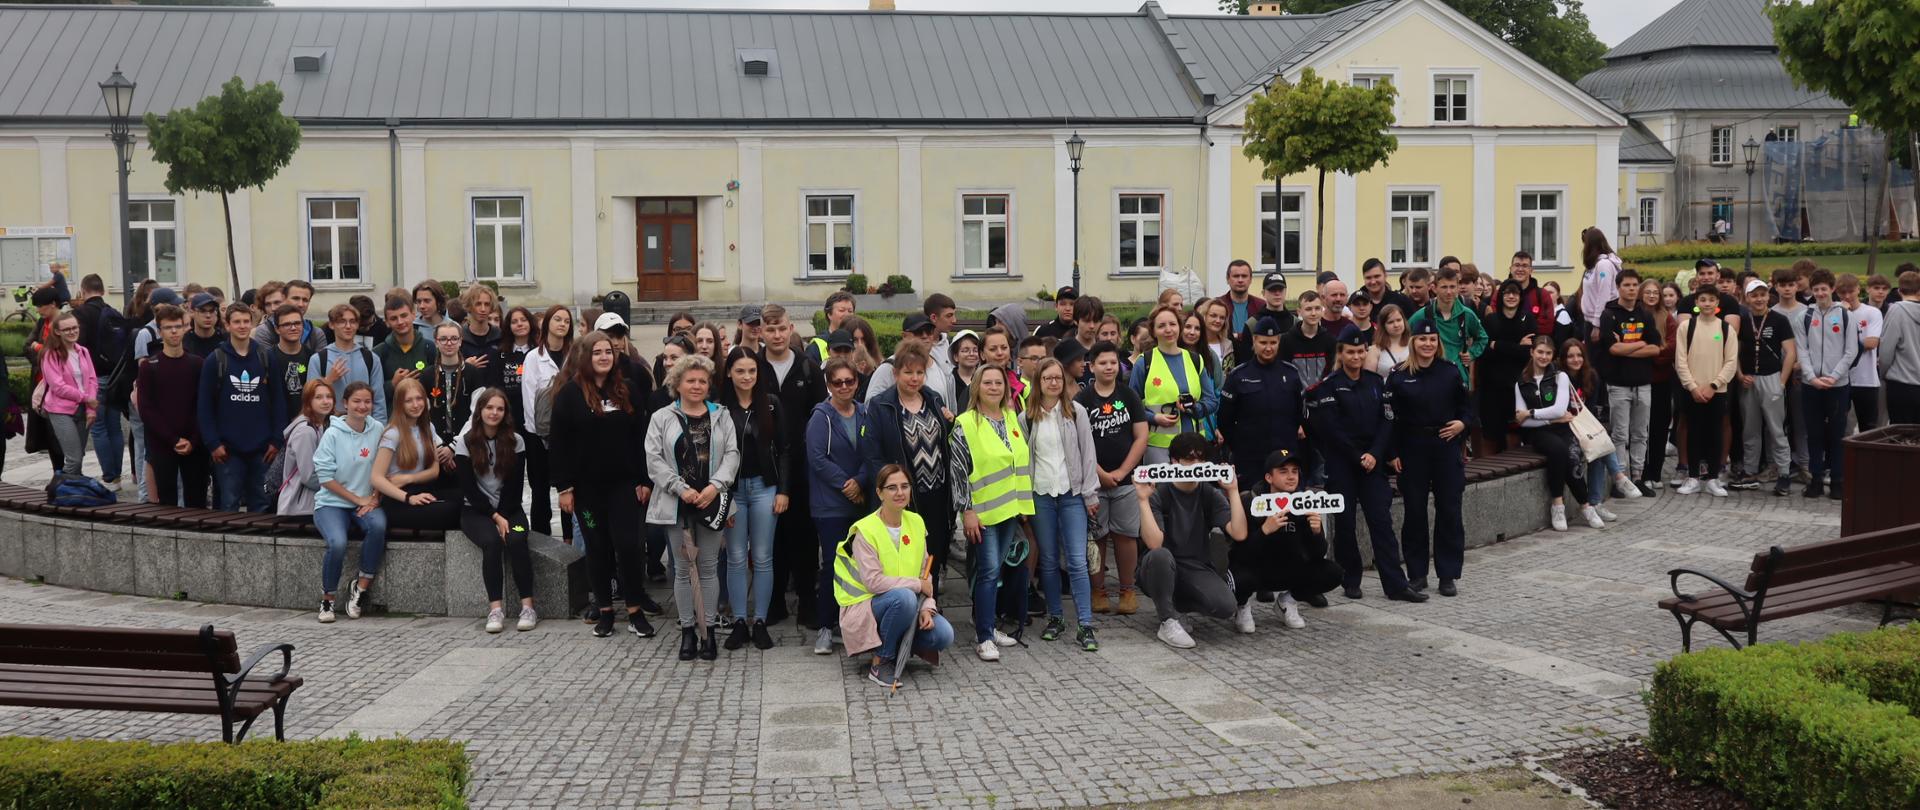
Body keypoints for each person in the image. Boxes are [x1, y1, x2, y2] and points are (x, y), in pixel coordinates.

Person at [551, 330, 657, 639]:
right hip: (586, 490)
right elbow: (559, 444)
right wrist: (564, 488)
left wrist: (644, 479)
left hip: (624, 485)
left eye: (608, 351)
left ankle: (635, 610)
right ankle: (606, 611)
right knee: (597, 548)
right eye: (597, 352)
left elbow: (641, 438)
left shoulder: (628, 390)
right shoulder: (569, 394)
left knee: (628, 546)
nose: (604, 357)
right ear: (585, 357)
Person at [1307, 327, 1422, 602]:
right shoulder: (1329, 385)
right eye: (1351, 352)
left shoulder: (1375, 382)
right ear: (1341, 353)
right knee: (1345, 525)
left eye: (1360, 351)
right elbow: (1331, 430)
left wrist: (1375, 454)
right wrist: (1359, 456)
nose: (1356, 357)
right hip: (1343, 463)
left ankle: (1396, 585)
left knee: (1382, 523)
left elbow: (1387, 420)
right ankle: (1350, 579)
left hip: (1373, 462)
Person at [833, 464, 954, 689]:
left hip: (903, 603)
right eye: (892, 488)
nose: (900, 493)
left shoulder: (916, 522)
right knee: (905, 598)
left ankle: (898, 643)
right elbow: (874, 582)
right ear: (879, 493)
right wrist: (917, 585)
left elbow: (924, 573)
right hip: (865, 606)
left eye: (905, 486)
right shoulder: (865, 530)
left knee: (944, 635)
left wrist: (927, 607)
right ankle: (881, 662)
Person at [1135, 431, 1248, 649]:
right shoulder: (1160, 492)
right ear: (1174, 461)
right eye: (1189, 459)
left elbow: (1239, 533)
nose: (1196, 464)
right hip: (1160, 566)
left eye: (1201, 459)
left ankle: (1179, 609)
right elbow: (1154, 544)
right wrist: (1142, 500)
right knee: (1160, 555)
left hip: (1195, 566)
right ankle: (1167, 620)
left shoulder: (1209, 493)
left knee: (1226, 606)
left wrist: (1233, 491)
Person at [950, 364, 1031, 661]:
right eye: (988, 383)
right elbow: (958, 471)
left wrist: (1022, 504)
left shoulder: (1010, 418)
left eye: (999, 383)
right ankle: (984, 636)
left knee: (996, 571)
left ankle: (988, 626)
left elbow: (1017, 463)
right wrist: (967, 510)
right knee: (987, 572)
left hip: (1009, 509)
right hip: (982, 513)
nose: (994, 387)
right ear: (977, 387)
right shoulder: (966, 423)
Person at [862, 341, 954, 598]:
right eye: (908, 372)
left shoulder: (933, 399)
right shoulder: (881, 405)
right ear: (896, 373)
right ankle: (905, 606)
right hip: (903, 497)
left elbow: (944, 442)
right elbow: (872, 454)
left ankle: (929, 604)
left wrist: (950, 423)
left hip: (937, 492)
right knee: (904, 555)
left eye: (920, 372)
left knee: (932, 551)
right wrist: (892, 488)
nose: (914, 378)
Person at [1022, 357, 1101, 652]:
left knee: (1077, 560)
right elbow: (1024, 461)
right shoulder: (1026, 417)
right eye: (1047, 378)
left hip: (1072, 494)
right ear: (1038, 382)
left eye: (1057, 378)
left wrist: (1090, 494)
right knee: (1049, 561)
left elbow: (1088, 454)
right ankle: (1055, 618)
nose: (1053, 383)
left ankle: (1085, 623)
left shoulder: (1076, 412)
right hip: (1041, 495)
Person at [1386, 319, 1471, 596]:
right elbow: (1389, 419)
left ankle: (1447, 574)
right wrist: (1392, 453)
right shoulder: (1399, 376)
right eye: (1422, 339)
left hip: (1445, 445)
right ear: (1413, 342)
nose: (1428, 344)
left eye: (1432, 339)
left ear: (1438, 342)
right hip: (1412, 448)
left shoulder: (1449, 371)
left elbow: (1467, 407)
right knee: (1414, 512)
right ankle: (1417, 573)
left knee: (1449, 510)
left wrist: (1462, 424)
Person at [758, 304, 827, 628]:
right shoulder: (753, 367)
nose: (777, 335)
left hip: (802, 466)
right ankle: (773, 603)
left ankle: (807, 602)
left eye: (781, 328)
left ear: (790, 329)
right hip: (763, 465)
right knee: (770, 537)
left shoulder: (808, 368)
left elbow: (820, 415)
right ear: (761, 332)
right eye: (770, 329)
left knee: (804, 536)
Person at [716, 346, 789, 651]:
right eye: (740, 371)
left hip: (764, 488)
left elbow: (784, 449)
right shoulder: (719, 407)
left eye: (752, 371)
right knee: (734, 557)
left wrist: (783, 490)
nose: (746, 377)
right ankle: (738, 621)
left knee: (762, 557)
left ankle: (759, 620)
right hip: (732, 490)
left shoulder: (770, 403)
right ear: (729, 373)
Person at [804, 357, 875, 656]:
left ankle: (856, 625)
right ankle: (825, 625)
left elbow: (873, 452)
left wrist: (860, 481)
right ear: (828, 385)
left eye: (850, 381)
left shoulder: (865, 413)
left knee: (861, 566)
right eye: (838, 382)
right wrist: (848, 485)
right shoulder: (820, 417)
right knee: (833, 564)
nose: (844, 386)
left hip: (861, 502)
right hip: (830, 504)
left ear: (857, 382)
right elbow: (817, 458)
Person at [1232, 449, 1342, 633]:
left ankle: (1287, 602)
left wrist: (1316, 532)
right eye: (1283, 471)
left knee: (1333, 572)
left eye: (1295, 471)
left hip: (1289, 568)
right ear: (1269, 477)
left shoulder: (1304, 502)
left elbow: (1318, 554)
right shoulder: (1251, 502)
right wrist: (1265, 531)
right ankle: (1242, 606)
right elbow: (1239, 553)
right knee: (1238, 577)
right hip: (1256, 569)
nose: (1291, 477)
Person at [457, 388, 538, 634]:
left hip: (510, 509)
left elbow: (515, 487)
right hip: (476, 511)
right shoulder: (466, 442)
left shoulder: (516, 441)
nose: (494, 413)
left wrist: (503, 514)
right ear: (480, 411)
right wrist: (494, 517)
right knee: (492, 542)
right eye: (489, 407)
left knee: (517, 539)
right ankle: (495, 610)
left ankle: (528, 607)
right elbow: (469, 489)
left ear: (506, 413)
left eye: (499, 409)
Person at [1076, 341, 1148, 616]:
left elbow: (1141, 436)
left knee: (1126, 535)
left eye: (1113, 362)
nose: (1109, 367)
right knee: (1097, 537)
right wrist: (1101, 473)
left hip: (1126, 481)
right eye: (1102, 363)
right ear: (1091, 366)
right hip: (1093, 482)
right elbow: (1077, 443)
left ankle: (1127, 590)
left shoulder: (1129, 395)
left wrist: (1121, 471)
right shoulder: (1082, 399)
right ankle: (1098, 590)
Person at [312, 381, 387, 623]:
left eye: (367, 402)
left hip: (366, 501)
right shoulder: (332, 433)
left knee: (378, 526)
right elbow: (325, 478)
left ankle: (360, 589)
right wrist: (357, 499)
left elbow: (384, 468)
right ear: (345, 403)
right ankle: (328, 599)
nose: (362, 406)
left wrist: (374, 499)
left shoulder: (378, 429)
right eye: (356, 401)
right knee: (338, 543)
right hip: (332, 503)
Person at [199, 304, 280, 512]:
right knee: (229, 503)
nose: (242, 326)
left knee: (262, 504)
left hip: (262, 448)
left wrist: (276, 440)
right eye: (237, 322)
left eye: (246, 321)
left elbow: (278, 401)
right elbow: (204, 406)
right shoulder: (216, 360)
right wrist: (213, 443)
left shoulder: (266, 357)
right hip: (227, 449)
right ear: (227, 325)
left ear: (252, 323)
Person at [135, 304, 209, 507]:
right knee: (167, 501)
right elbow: (146, 409)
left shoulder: (197, 364)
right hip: (162, 443)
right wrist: (172, 439)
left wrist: (193, 439)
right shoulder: (149, 367)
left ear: (185, 328)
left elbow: (203, 404)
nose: (174, 331)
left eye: (178, 326)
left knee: (197, 500)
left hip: (194, 443)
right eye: (168, 327)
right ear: (160, 332)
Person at [1218, 316, 1304, 487]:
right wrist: (1240, 446)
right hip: (1250, 457)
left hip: (1284, 456)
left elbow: (1299, 413)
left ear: (1279, 342)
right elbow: (1224, 419)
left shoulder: (1291, 373)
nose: (1268, 348)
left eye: (1273, 342)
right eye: (1263, 342)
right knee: (1250, 499)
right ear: (1254, 341)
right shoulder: (1239, 376)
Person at [1597, 269, 1658, 496]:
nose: (1631, 289)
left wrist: (1627, 347)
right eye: (1627, 285)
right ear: (1618, 287)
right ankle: (1620, 480)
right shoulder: (1609, 314)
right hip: (1619, 384)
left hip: (1643, 384)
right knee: (1620, 435)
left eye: (1634, 285)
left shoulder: (1646, 314)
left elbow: (1655, 348)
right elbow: (1612, 349)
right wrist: (1640, 344)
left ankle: (1638, 477)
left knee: (1641, 433)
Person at [1673, 286, 1739, 496]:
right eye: (1703, 299)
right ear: (1696, 303)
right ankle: (1692, 477)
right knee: (1693, 431)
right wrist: (1693, 386)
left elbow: (1731, 362)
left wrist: (1713, 385)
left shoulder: (1726, 329)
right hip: (1692, 390)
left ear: (1717, 303)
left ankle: (1713, 478)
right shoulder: (1686, 327)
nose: (1707, 303)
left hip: (1717, 391)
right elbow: (1680, 361)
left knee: (1715, 433)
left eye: (1711, 299)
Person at [1795, 269, 1855, 500]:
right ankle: (1816, 480)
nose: (1820, 293)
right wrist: (1812, 377)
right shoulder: (1804, 317)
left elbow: (1851, 351)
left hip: (1838, 385)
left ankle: (1838, 480)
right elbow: (1802, 350)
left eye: (1824, 289)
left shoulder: (1845, 316)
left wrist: (1834, 376)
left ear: (1832, 289)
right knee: (1814, 434)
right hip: (1811, 385)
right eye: (1816, 289)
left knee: (1837, 434)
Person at [1131, 304, 1218, 464]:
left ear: (1179, 327)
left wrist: (1194, 408)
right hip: (1159, 446)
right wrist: (1154, 417)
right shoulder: (1144, 362)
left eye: (1172, 324)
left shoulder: (1195, 360)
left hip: (1194, 445)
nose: (1168, 330)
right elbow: (1132, 406)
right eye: (1161, 326)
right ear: (1153, 331)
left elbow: (1212, 401)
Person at [1736, 278, 1797, 496]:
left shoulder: (1779, 320)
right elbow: (1735, 351)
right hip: (1749, 379)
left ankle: (1783, 473)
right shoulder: (1743, 320)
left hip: (1771, 377)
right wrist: (1739, 375)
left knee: (1776, 428)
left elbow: (1790, 352)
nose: (1759, 299)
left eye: (1762, 295)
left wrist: (1782, 381)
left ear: (1767, 296)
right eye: (1754, 295)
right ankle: (1750, 471)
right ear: (1747, 298)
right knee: (1750, 429)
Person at [372, 378, 460, 530]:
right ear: (400, 404)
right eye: (408, 401)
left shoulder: (428, 427)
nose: (415, 405)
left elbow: (434, 471)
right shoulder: (392, 433)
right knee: (453, 511)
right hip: (398, 499)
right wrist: (409, 498)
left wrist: (408, 478)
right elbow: (376, 478)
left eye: (419, 398)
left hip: (420, 490)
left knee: (464, 499)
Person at [1516, 336, 1580, 531]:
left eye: (1548, 353)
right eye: (1540, 352)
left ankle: (1587, 505)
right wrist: (1550, 419)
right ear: (1532, 352)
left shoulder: (1560, 376)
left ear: (1553, 355)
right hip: (1538, 432)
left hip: (1562, 428)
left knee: (1572, 456)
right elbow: (1522, 421)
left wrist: (1531, 413)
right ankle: (1557, 504)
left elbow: (1560, 409)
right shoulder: (1522, 382)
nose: (1544, 357)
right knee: (1558, 450)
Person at [1560, 339, 1624, 527]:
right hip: (1565, 427)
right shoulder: (1559, 378)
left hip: (1583, 424)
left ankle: (1596, 502)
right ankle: (1619, 477)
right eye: (1570, 356)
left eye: (1579, 355)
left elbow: (1590, 410)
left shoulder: (1591, 376)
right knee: (1596, 446)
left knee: (1598, 448)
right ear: (1563, 359)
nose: (1576, 360)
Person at [72, 274, 126, 486]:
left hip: (93, 378)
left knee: (98, 427)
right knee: (114, 427)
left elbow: (78, 348)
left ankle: (109, 476)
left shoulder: (80, 314)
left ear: (83, 290)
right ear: (102, 290)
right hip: (116, 377)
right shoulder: (113, 312)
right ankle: (118, 475)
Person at [1479, 281, 1537, 454]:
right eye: (1507, 293)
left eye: (1515, 293)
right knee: (1491, 435)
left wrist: (1497, 345)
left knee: (1515, 434)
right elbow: (1484, 351)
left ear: (1520, 297)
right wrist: (1517, 346)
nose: (1511, 296)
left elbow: (1528, 352)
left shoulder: (1527, 319)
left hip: (1518, 385)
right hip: (1492, 387)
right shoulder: (1491, 320)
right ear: (1501, 296)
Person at [37, 312, 97, 478]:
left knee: (79, 456)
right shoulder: (50, 354)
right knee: (74, 459)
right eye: (67, 329)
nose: (72, 332)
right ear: (57, 332)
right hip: (60, 410)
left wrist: (90, 409)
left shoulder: (83, 351)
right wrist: (86, 398)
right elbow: (58, 387)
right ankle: (57, 488)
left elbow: (92, 380)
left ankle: (72, 489)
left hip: (83, 409)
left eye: (74, 327)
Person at [308, 304, 388, 422]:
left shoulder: (371, 358)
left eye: (352, 321)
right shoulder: (318, 359)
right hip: (330, 426)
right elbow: (310, 398)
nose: (348, 326)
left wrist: (380, 428)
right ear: (332, 325)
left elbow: (378, 400)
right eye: (342, 321)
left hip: (364, 426)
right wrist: (328, 380)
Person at [1408, 268, 1487, 378]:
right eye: (1444, 287)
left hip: (1458, 376)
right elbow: (1404, 337)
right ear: (1434, 288)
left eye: (1452, 287)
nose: (1449, 292)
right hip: (1429, 376)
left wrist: (1472, 353)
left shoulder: (1466, 314)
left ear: (1458, 288)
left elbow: (1482, 338)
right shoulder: (1423, 314)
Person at [427, 322, 484, 466]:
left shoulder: (473, 374)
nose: (449, 343)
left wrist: (454, 446)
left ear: (460, 341)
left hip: (467, 445)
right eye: (443, 339)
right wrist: (439, 446)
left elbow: (477, 413)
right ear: (436, 342)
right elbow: (422, 415)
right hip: (435, 449)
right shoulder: (427, 376)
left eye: (454, 338)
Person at [1642, 280, 1679, 494]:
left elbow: (1672, 346)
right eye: (1647, 292)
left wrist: (1652, 354)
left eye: (1655, 292)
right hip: (1639, 379)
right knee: (1641, 430)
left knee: (1659, 428)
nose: (1652, 296)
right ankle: (1641, 472)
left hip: (1662, 380)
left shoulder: (1667, 318)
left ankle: (1655, 473)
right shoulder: (1636, 315)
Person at [277, 379, 333, 518]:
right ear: (308, 401)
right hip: (299, 508)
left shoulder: (318, 425)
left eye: (329, 396)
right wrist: (339, 489)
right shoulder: (305, 431)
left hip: (311, 504)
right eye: (318, 397)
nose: (325, 401)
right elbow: (309, 477)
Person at [1838, 274, 1884, 432]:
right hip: (1840, 378)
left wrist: (1844, 346)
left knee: (1868, 427)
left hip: (1866, 379)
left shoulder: (1872, 312)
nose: (1847, 296)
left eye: (1851, 291)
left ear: (1859, 289)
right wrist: (1842, 315)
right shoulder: (1835, 312)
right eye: (1842, 293)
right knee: (1838, 425)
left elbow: (1871, 343)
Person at [373, 294, 434, 408]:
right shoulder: (379, 353)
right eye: (393, 318)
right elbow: (372, 394)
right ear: (387, 322)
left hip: (423, 415)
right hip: (393, 416)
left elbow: (438, 388)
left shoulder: (429, 348)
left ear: (413, 315)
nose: (400, 322)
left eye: (404, 315)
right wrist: (392, 384)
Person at [1880, 271, 1920, 425]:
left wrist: (1882, 373)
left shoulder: (1896, 310)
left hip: (1902, 383)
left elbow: (1886, 350)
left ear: (1899, 290)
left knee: (1901, 433)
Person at [1578, 227, 1623, 338]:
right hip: (1589, 320)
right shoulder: (1593, 265)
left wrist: (1597, 325)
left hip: (1600, 322)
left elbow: (1604, 295)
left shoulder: (1603, 265)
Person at [1280, 291, 1333, 383]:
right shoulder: (1286, 340)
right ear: (1299, 311)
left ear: (1322, 310)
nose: (1313, 313)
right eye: (1308, 309)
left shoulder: (1330, 340)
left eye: (1317, 308)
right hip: (1295, 391)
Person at [1216, 259, 1267, 346]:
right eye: (1236, 276)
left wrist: (1237, 336)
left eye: (1244, 276)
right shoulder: (1217, 305)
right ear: (1227, 279)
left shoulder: (1261, 306)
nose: (1240, 280)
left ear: (1250, 279)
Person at [1508, 251, 1555, 337]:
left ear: (1531, 270)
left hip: (1533, 343)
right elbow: (1496, 322)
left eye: (1525, 266)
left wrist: (1529, 339)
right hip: (1508, 343)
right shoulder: (1500, 293)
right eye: (1517, 265)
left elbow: (1546, 325)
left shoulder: (1542, 295)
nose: (1520, 269)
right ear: (1511, 269)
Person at [808, 291, 857, 364]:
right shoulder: (817, 346)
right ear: (829, 314)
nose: (847, 315)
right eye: (841, 310)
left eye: (850, 311)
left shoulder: (859, 340)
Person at [1369, 304, 1412, 378]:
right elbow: (1369, 380)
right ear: (1383, 326)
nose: (1396, 325)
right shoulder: (1375, 350)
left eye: (1399, 320)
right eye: (1390, 322)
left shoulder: (1413, 345)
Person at [183, 293, 226, 358]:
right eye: (202, 311)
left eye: (211, 311)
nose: (208, 315)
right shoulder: (185, 341)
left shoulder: (226, 339)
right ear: (192, 312)